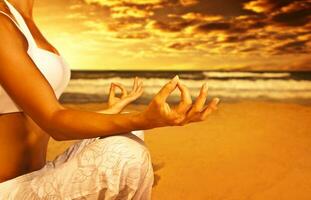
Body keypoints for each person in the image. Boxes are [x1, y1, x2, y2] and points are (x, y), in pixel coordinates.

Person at [0, 0, 220, 199]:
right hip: (7, 189)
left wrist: (115, 112)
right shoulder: (2, 22)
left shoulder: (25, 21)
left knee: (129, 134)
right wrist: (146, 118)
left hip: (36, 176)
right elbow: (54, 120)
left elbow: (40, 116)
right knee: (124, 152)